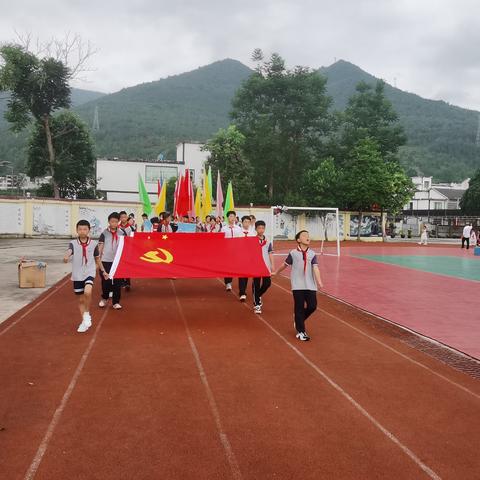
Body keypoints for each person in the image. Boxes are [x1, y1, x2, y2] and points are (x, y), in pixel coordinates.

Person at [273, 230, 323, 342]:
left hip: (310, 285)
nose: (307, 237)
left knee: (312, 306)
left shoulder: (312, 254)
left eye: (308, 235)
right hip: (297, 285)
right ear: (298, 240)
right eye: (304, 235)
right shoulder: (293, 253)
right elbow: (284, 264)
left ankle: (299, 319)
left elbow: (315, 267)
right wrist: (276, 272)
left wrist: (319, 281)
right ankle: (301, 331)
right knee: (299, 307)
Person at [63, 220, 103, 333]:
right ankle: (84, 321)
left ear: (89, 230)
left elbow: (97, 258)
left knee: (88, 292)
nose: (82, 231)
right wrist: (66, 256)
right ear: (76, 230)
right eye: (80, 229)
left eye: (85, 229)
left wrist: (103, 270)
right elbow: (69, 251)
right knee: (81, 300)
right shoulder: (73, 243)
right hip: (77, 274)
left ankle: (86, 314)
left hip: (89, 271)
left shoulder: (94, 244)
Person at [97, 212, 124, 310]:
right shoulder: (104, 234)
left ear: (118, 222)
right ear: (109, 222)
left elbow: (125, 246)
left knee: (117, 283)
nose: (114, 224)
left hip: (117, 261)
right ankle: (104, 298)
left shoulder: (122, 233)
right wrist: (98, 259)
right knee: (106, 281)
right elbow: (100, 247)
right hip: (105, 261)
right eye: (112, 221)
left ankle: (116, 302)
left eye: (116, 222)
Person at [252, 220, 274, 314]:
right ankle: (257, 304)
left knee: (267, 283)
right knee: (256, 284)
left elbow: (270, 253)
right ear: (256, 229)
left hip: (266, 266)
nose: (261, 230)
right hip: (256, 266)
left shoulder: (268, 240)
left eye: (263, 228)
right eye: (259, 228)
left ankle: (258, 295)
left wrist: (272, 265)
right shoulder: (252, 240)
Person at [221, 210, 243, 291]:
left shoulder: (238, 228)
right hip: (227, 251)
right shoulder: (224, 229)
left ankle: (241, 283)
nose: (232, 218)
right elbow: (221, 240)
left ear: (235, 217)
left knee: (238, 267)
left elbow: (241, 239)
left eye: (233, 216)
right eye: (230, 216)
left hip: (237, 251)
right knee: (228, 267)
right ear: (227, 218)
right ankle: (228, 283)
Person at [238, 215, 256, 301]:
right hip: (240, 256)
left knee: (246, 275)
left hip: (249, 256)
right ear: (242, 222)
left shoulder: (252, 233)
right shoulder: (238, 232)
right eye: (245, 222)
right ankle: (242, 292)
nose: (247, 223)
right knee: (241, 274)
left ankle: (243, 290)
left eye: (248, 222)